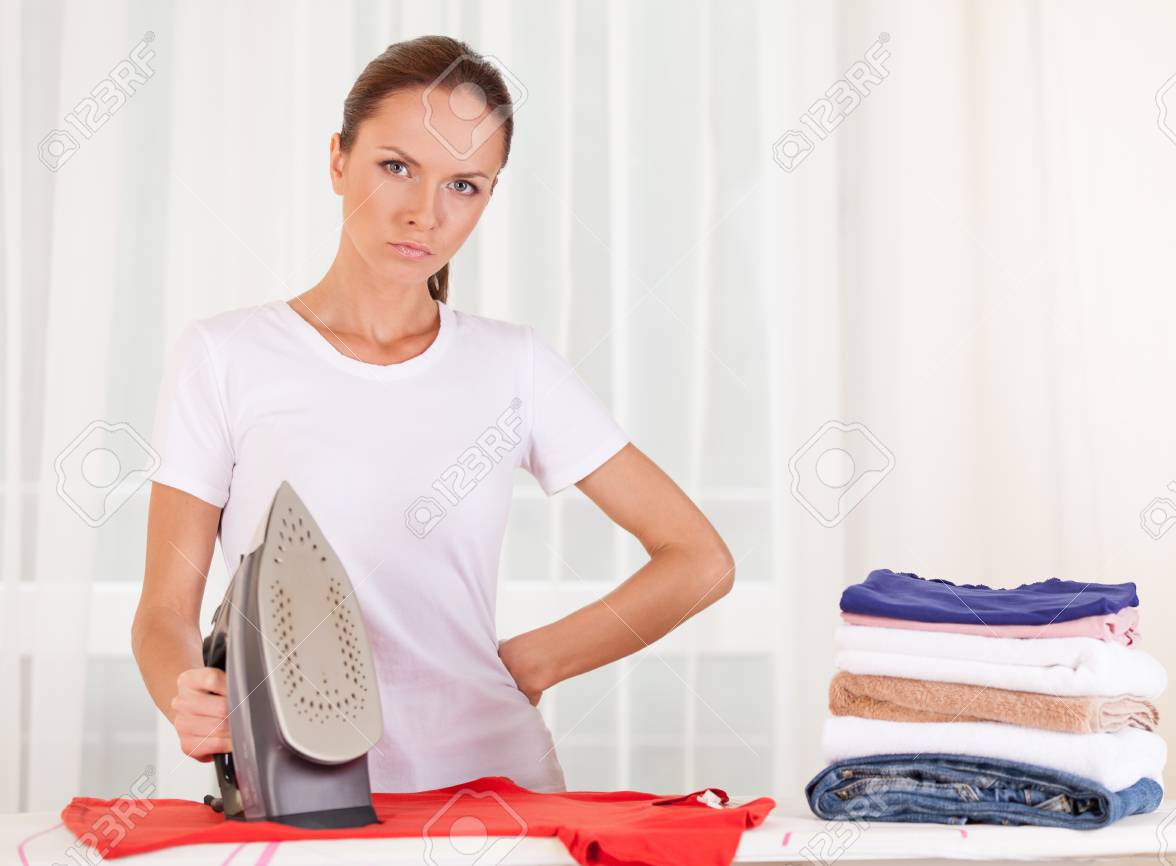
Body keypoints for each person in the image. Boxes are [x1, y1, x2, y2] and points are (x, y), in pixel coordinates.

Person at [130, 35, 735, 794]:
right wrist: (186, 691)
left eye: (464, 185)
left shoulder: (513, 365)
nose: (425, 213)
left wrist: (531, 662)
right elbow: (162, 611)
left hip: (497, 788)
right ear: (337, 160)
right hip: (299, 793)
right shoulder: (224, 356)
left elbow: (699, 560)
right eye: (396, 167)